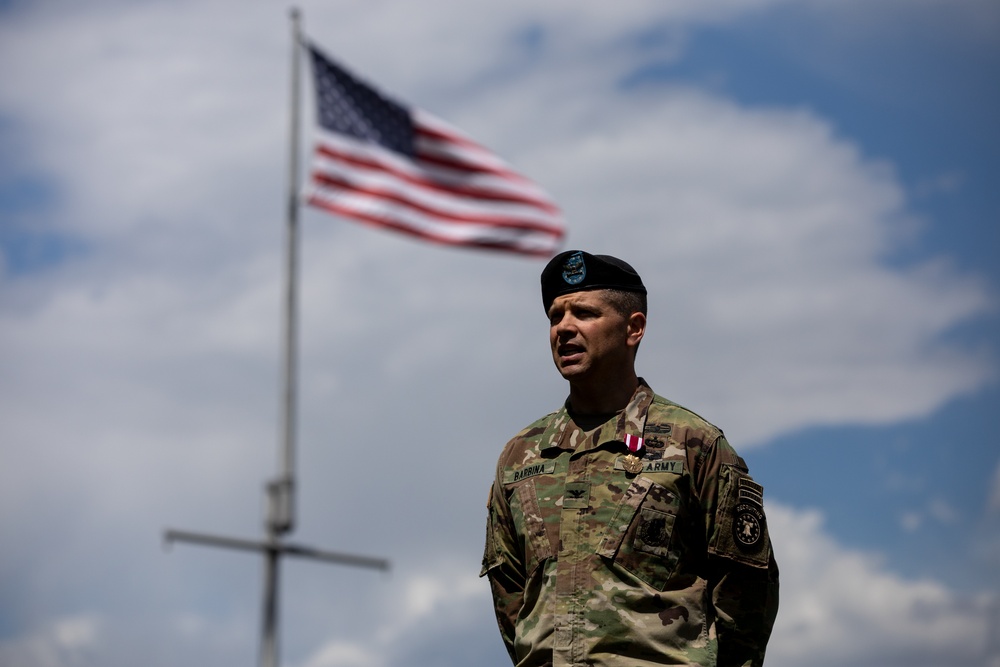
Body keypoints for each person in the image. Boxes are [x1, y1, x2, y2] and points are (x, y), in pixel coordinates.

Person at [481, 250, 779, 667]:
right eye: (555, 317)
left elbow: (746, 595)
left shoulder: (695, 443)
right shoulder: (521, 455)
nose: (564, 328)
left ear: (633, 328)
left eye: (583, 313)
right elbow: (511, 593)